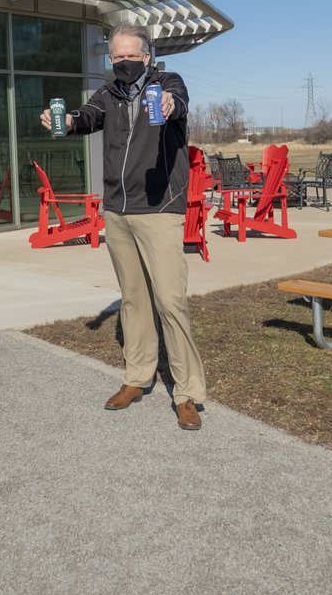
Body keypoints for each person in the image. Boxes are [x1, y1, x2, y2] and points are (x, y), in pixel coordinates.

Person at [40, 23, 207, 430]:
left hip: (159, 206)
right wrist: (61, 120)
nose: (125, 63)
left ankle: (187, 394)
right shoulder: (107, 93)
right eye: (118, 57)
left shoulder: (168, 82)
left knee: (169, 300)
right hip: (117, 209)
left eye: (132, 56)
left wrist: (168, 103)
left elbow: (178, 103)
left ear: (146, 56)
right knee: (133, 300)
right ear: (110, 59)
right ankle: (137, 378)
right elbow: (86, 117)